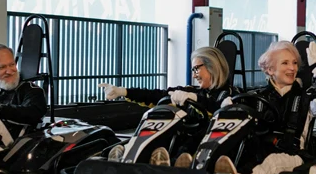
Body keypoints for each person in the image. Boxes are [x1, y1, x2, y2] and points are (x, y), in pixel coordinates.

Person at [214, 39, 316, 174]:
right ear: (270, 70)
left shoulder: (305, 99)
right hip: (260, 152)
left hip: (292, 155)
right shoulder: (256, 97)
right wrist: (227, 106)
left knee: (274, 161)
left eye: (294, 63)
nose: (292, 68)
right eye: (285, 63)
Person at [98, 46, 236, 167]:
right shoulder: (191, 91)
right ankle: (132, 154)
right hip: (180, 140)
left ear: (212, 66)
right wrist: (123, 91)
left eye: (196, 69)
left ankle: (173, 164)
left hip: (203, 147)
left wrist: (195, 99)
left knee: (187, 144)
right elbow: (156, 95)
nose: (194, 75)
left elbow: (221, 110)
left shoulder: (230, 95)